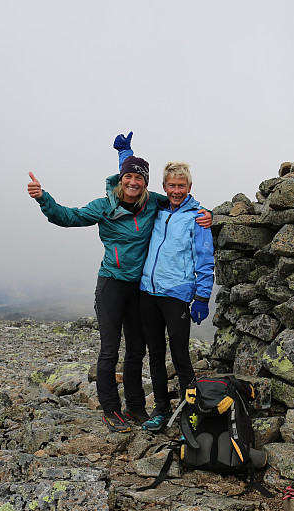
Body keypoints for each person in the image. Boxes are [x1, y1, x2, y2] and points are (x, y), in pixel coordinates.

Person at [27, 137, 211, 433]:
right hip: (112, 284)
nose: (133, 182)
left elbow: (182, 204)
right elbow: (68, 217)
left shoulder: (153, 202)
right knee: (110, 350)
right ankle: (111, 410)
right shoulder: (104, 206)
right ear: (120, 180)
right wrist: (43, 198)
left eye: (139, 179)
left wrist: (208, 215)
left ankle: (136, 407)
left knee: (136, 349)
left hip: (139, 288)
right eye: (128, 177)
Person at [116, 140, 215, 431]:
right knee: (155, 354)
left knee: (181, 355)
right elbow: (130, 183)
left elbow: (205, 260)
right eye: (171, 185)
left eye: (181, 186)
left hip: (177, 295)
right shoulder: (156, 207)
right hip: (148, 293)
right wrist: (125, 155)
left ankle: (193, 413)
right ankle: (161, 410)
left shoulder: (198, 217)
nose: (175, 191)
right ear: (164, 185)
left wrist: (202, 297)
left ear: (189, 185)